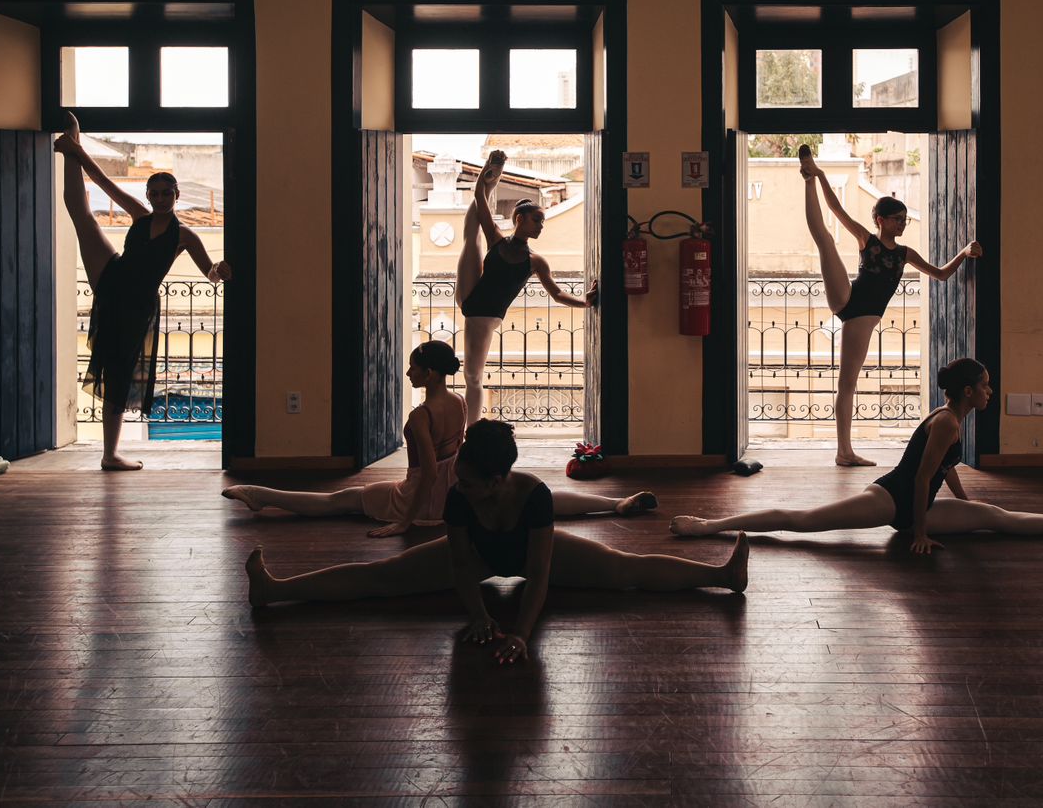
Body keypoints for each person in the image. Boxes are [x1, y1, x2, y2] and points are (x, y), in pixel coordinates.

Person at [245, 421, 747, 664]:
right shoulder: (462, 497)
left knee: (624, 570)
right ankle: (276, 589)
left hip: (526, 554)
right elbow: (463, 565)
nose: (459, 486)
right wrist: (480, 617)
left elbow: (541, 574)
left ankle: (722, 575)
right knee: (380, 580)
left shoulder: (534, 496)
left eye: (470, 481)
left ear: (500, 478)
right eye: (459, 478)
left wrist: (522, 634)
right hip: (483, 555)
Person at [670, 358, 1043, 551]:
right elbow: (922, 478)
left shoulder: (954, 418)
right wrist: (919, 534)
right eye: (985, 385)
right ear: (969, 390)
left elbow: (946, 469)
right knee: (801, 521)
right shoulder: (945, 420)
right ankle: (711, 527)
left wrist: (963, 504)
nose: (990, 390)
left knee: (994, 516)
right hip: (891, 499)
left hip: (917, 507)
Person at [223, 342, 656, 534]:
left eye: (413, 367)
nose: (409, 373)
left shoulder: (419, 417)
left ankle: (264, 494)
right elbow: (454, 456)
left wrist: (404, 522)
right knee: (538, 495)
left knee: (339, 501)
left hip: (427, 498)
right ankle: (613, 505)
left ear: (428, 373)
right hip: (460, 485)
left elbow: (427, 472)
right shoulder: (457, 403)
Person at [54, 111, 230, 471]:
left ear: (177, 196)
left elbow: (209, 273)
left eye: (167, 193)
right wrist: (77, 149)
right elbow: (104, 182)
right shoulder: (139, 215)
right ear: (148, 195)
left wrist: (221, 271)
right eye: (155, 193)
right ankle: (72, 138)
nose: (161, 198)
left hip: (137, 305)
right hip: (113, 276)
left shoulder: (185, 235)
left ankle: (109, 454)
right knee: (82, 215)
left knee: (118, 374)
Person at [798, 144, 980, 467]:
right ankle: (809, 177)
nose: (902, 224)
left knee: (847, 383)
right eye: (897, 219)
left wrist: (964, 252)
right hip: (848, 299)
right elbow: (837, 209)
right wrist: (822, 177)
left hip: (861, 320)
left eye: (905, 220)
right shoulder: (867, 241)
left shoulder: (905, 254)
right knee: (825, 241)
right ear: (880, 219)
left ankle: (844, 452)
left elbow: (939, 274)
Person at [458, 150, 598, 426]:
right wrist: (488, 168)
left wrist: (585, 302)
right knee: (471, 228)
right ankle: (492, 177)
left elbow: (557, 294)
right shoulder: (497, 241)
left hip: (484, 315)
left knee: (473, 377)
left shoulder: (536, 261)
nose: (541, 226)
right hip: (471, 297)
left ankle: (471, 433)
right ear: (519, 219)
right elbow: (479, 202)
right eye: (537, 220)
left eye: (543, 222)